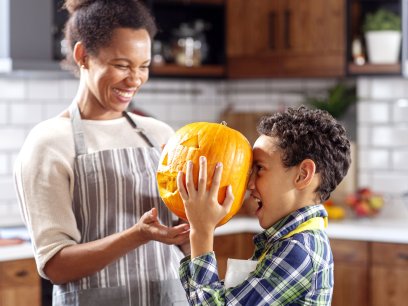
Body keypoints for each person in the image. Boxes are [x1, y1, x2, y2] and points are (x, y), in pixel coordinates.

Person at [14, 0, 190, 305]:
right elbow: (56, 265)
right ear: (83, 56)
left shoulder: (160, 134)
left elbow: (184, 243)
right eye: (122, 65)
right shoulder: (48, 143)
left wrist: (198, 219)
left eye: (144, 66)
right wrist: (138, 235)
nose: (135, 79)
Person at [177, 106, 351, 305]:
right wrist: (192, 246)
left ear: (303, 175)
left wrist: (201, 233)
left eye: (259, 168)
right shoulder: (292, 241)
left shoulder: (297, 251)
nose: (249, 184)